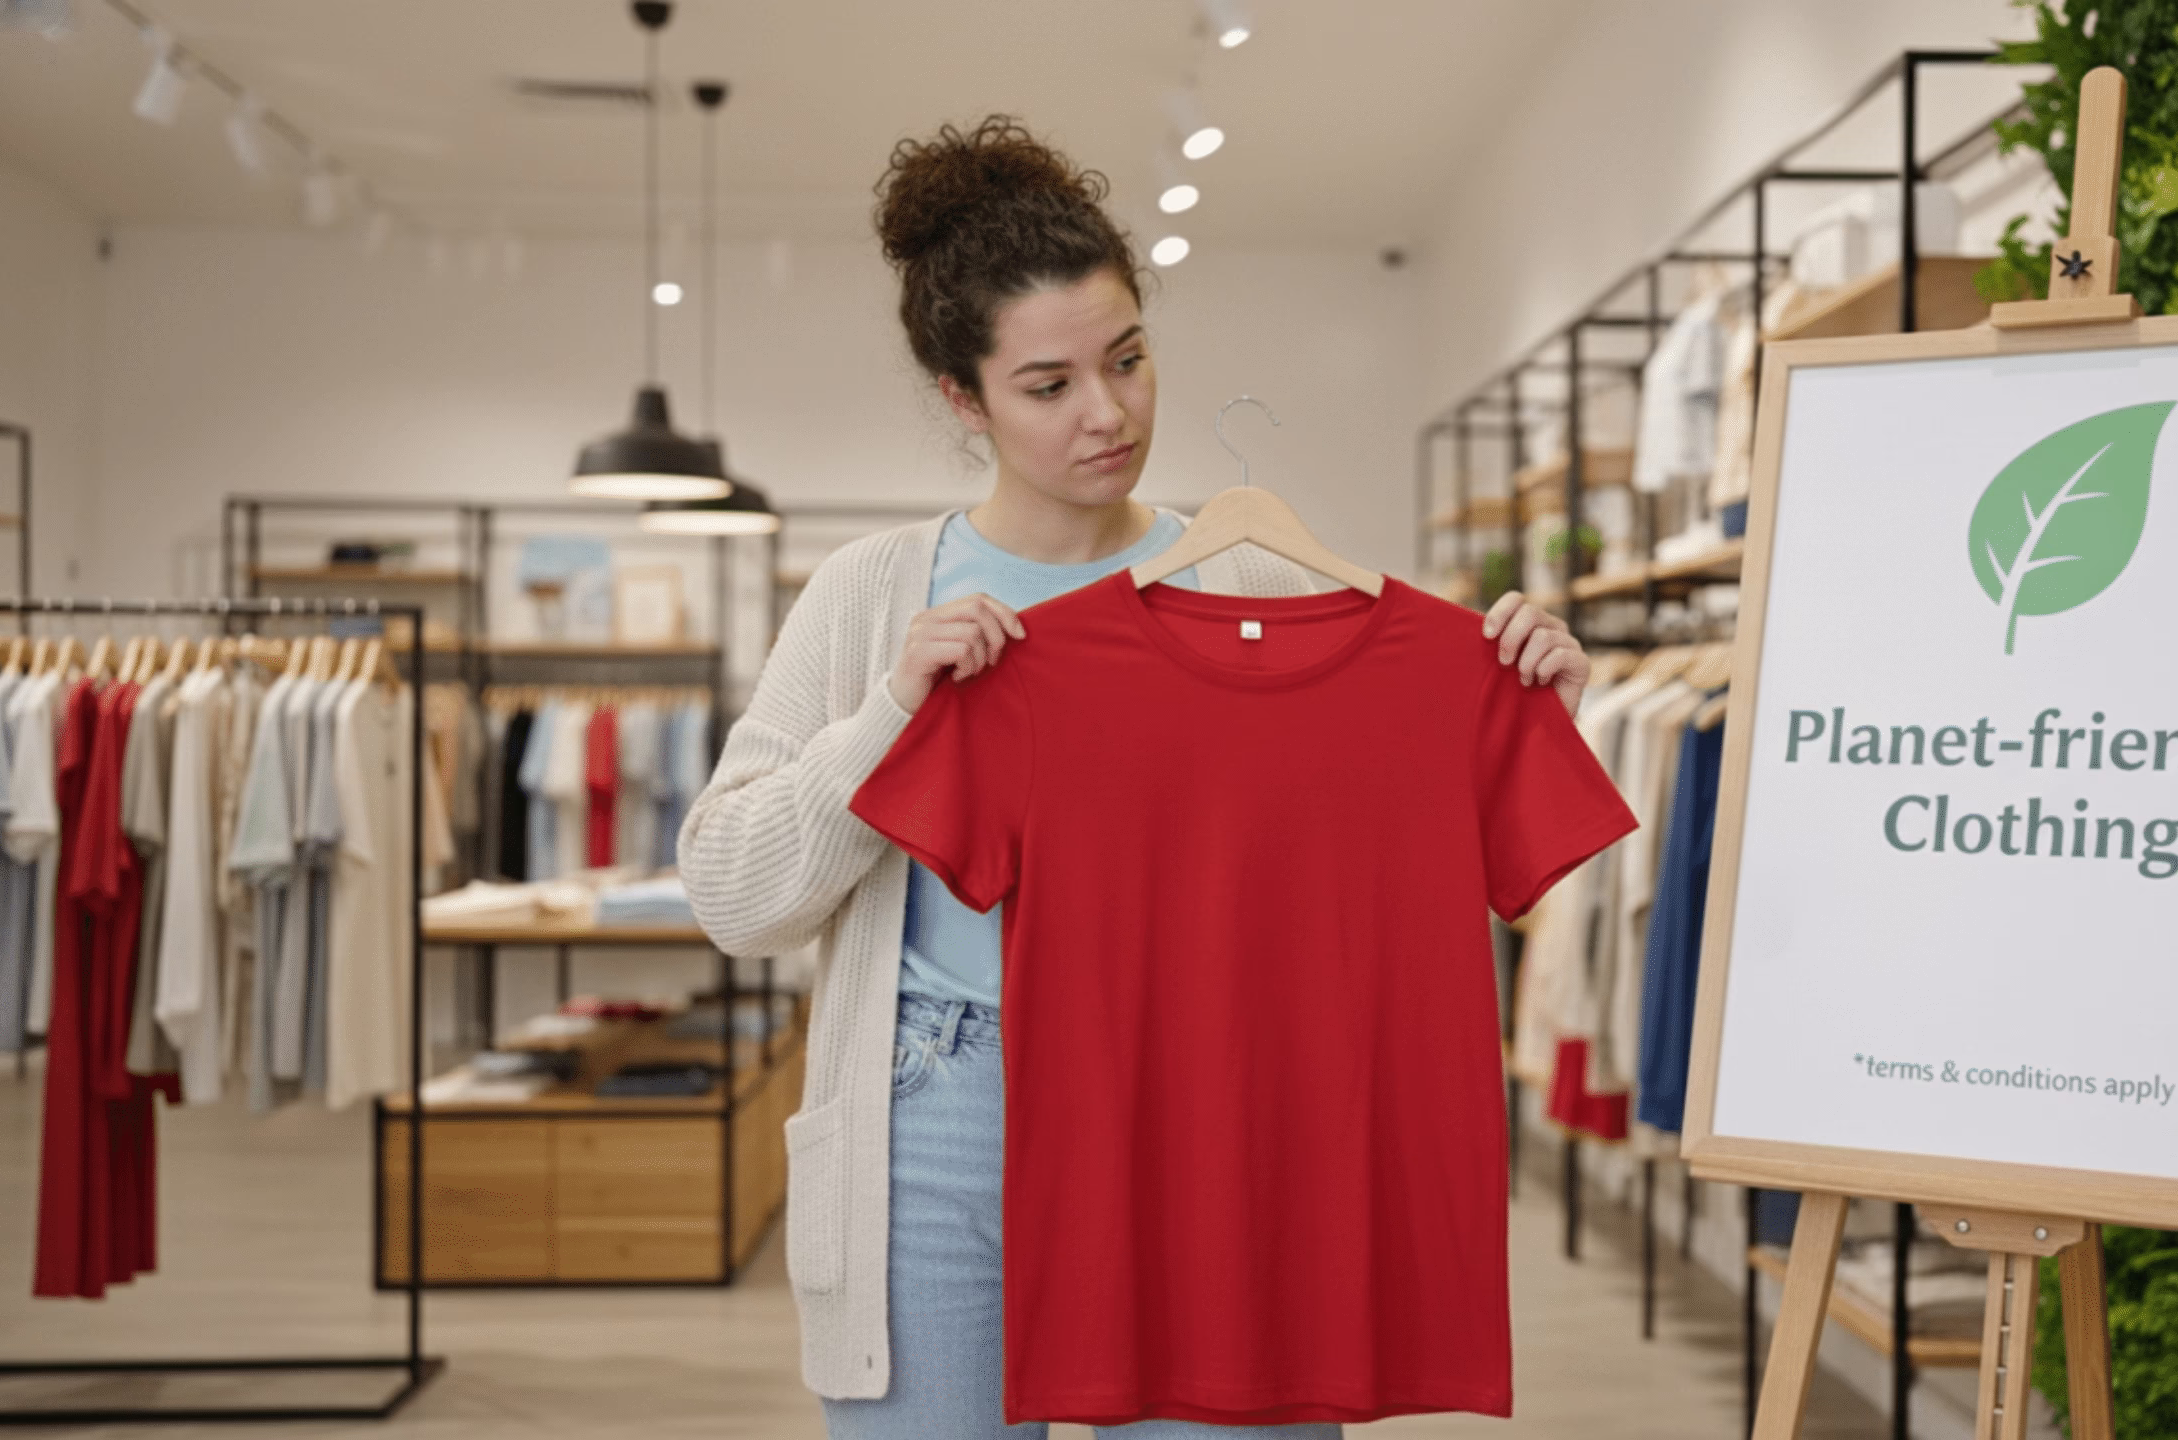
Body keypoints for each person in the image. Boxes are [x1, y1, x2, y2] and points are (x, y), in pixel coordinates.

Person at [679, 115, 1588, 1439]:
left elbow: (1421, 867)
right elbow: (732, 895)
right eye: (1049, 386)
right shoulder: (875, 597)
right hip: (936, 1122)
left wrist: (1524, 706)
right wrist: (891, 715)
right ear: (963, 398)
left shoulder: (1264, 591)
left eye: (1128, 359)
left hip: (1205, 1107)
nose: (1108, 414)